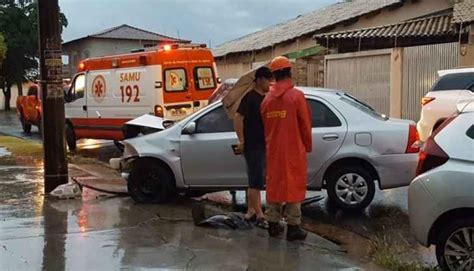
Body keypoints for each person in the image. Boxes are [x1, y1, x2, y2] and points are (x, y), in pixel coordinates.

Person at [260, 56, 312, 241]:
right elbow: (305, 124)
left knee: (274, 185)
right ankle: (293, 227)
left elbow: (264, 126)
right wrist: (307, 144)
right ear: (289, 72)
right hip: (293, 149)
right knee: (293, 186)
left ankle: (273, 224)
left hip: (273, 150)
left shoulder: (266, 100)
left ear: (273, 75)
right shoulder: (296, 96)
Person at [234, 66, 273, 228]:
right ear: (259, 80)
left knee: (259, 178)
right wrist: (242, 140)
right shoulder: (250, 98)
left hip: (264, 143)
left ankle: (251, 211)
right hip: (253, 145)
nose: (270, 83)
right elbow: (238, 118)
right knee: (255, 181)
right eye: (268, 80)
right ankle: (259, 215)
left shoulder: (267, 98)